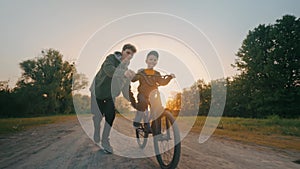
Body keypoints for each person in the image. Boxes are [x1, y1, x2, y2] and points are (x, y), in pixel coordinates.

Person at [90, 44, 137, 153]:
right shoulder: (111, 58)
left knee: (110, 116)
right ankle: (97, 130)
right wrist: (123, 73)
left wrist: (135, 103)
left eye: (132, 55)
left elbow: (126, 90)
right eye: (128, 53)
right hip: (97, 91)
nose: (129, 56)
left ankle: (105, 141)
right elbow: (109, 70)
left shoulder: (127, 71)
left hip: (110, 95)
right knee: (97, 116)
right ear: (122, 51)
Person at [131, 50, 175, 130]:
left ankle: (155, 128)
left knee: (158, 108)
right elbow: (133, 79)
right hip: (143, 94)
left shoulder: (157, 73)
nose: (152, 61)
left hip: (154, 95)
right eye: (150, 59)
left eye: (155, 60)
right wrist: (137, 73)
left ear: (157, 62)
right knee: (143, 103)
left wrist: (169, 77)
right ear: (146, 61)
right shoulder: (142, 72)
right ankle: (137, 121)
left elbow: (162, 82)